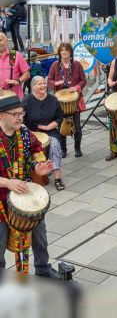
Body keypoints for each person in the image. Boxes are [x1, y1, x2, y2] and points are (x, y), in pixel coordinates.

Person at [0, 94, 61, 279]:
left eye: (22, 113)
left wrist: (38, 167)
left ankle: (43, 269)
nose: (20, 117)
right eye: (15, 114)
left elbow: (36, 151)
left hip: (25, 194)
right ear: (2, 115)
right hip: (1, 200)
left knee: (40, 237)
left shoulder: (24, 133)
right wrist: (8, 182)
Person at [23, 76, 65, 191]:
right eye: (39, 84)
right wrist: (28, 131)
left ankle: (57, 178)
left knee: (55, 144)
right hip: (31, 132)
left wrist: (48, 126)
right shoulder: (27, 100)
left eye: (44, 83)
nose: (43, 86)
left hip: (50, 130)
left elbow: (59, 117)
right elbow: (21, 119)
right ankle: (28, 176)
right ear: (32, 87)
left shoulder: (53, 99)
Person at [47, 42, 86, 158]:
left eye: (66, 49)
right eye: (62, 50)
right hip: (60, 101)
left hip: (74, 101)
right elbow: (49, 80)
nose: (64, 52)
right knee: (61, 127)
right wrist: (55, 83)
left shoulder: (77, 65)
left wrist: (77, 87)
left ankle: (77, 148)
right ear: (59, 52)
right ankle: (63, 149)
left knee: (77, 126)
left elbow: (83, 80)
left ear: (70, 52)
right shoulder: (55, 65)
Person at [0, 32, 30, 99]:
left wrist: (18, 81)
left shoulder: (13, 55)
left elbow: (27, 74)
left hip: (14, 96)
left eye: (0, 40)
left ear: (6, 40)